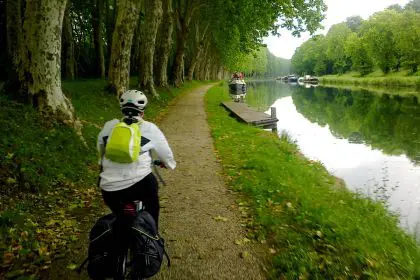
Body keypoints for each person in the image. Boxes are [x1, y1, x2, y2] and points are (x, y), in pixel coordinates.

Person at [97, 89, 176, 230]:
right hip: (140, 185)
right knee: (152, 205)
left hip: (109, 188)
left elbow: (101, 152)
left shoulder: (110, 126)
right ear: (142, 110)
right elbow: (166, 154)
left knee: (119, 216)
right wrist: (169, 164)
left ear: (122, 109)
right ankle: (152, 236)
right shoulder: (149, 128)